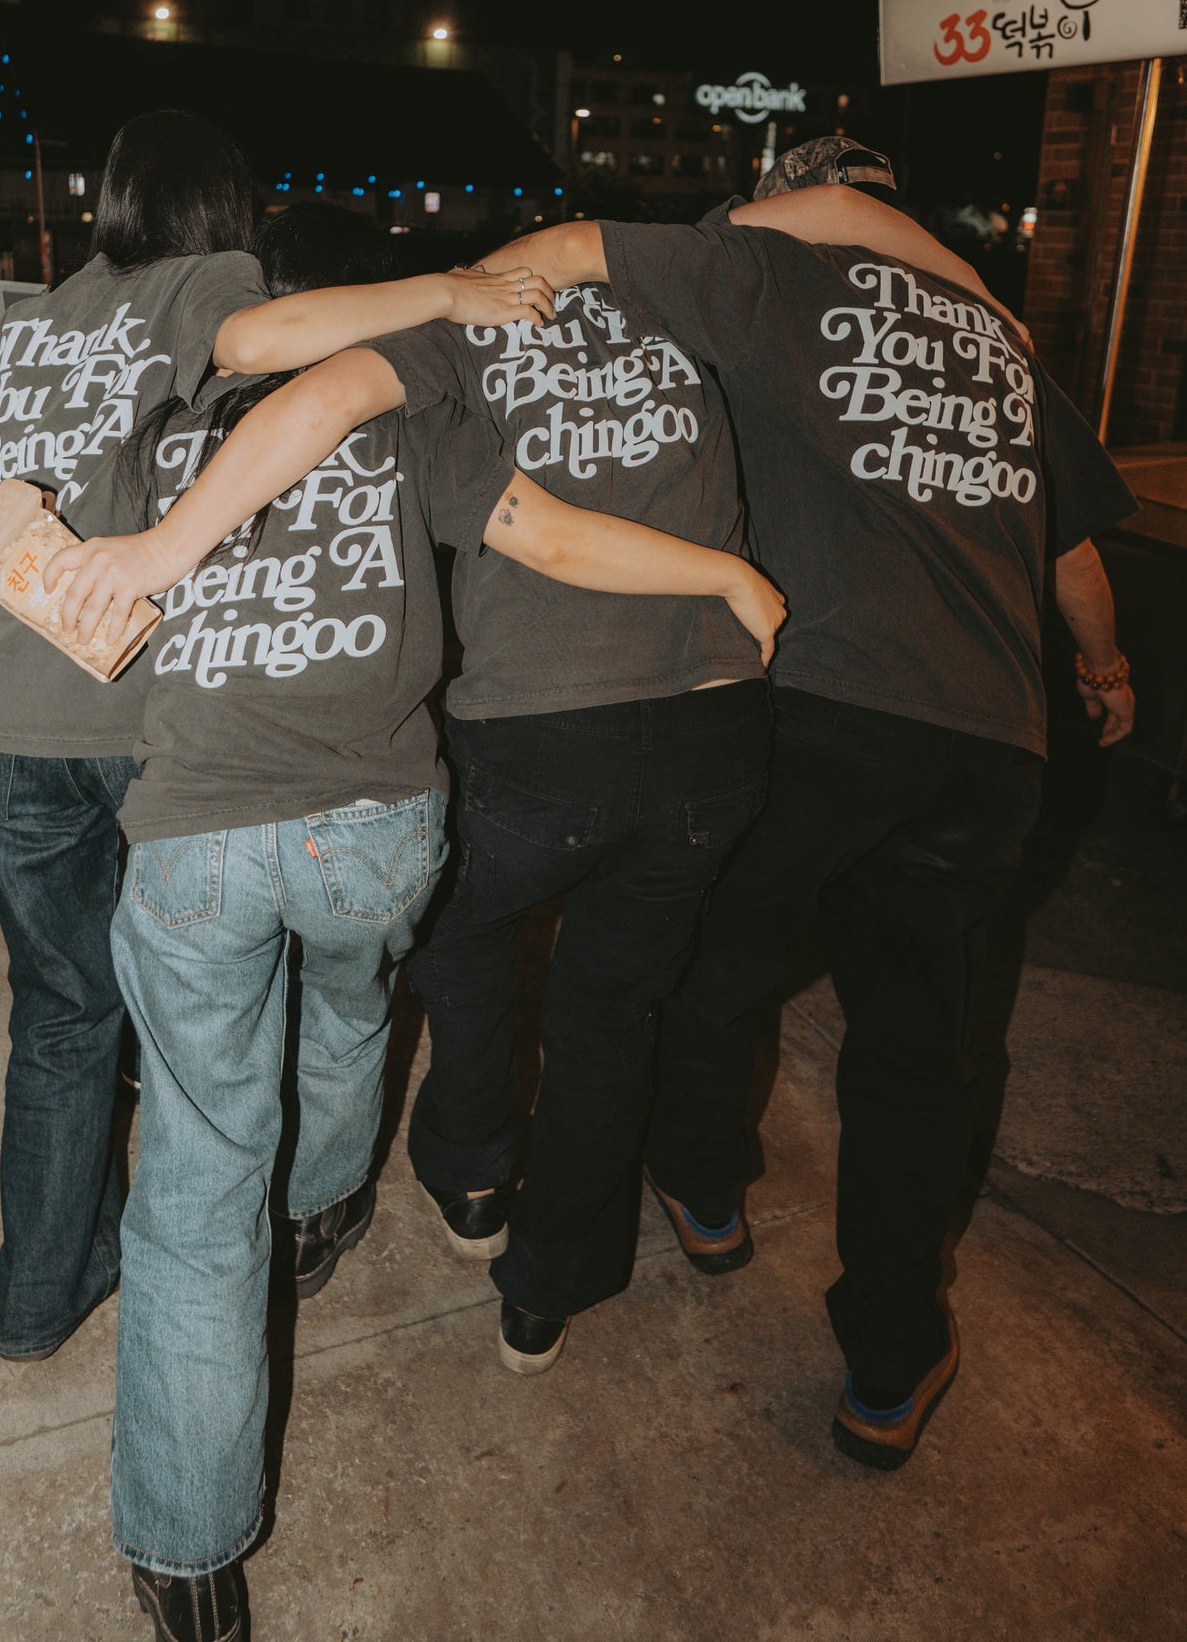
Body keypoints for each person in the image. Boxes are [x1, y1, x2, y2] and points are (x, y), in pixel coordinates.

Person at [39, 177, 943, 1379]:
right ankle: (545, 1294)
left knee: (452, 932)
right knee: (611, 1010)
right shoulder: (688, 299)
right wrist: (974, 289)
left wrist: (162, 546)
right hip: (713, 737)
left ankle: (469, 1170)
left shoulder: (462, 321)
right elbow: (831, 205)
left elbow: (318, 396)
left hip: (536, 733)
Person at [48, 201, 786, 1642]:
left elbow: (65, 604)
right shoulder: (416, 418)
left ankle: (190, 1558)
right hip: (377, 828)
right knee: (351, 1001)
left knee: (200, 1190)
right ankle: (327, 1203)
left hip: (198, 833)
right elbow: (546, 533)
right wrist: (724, 572)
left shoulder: (157, 428)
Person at [0, 116, 556, 1365]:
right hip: (146, 730)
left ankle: (37, 1288)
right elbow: (278, 337)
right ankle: (239, 1242)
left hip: (2, 735)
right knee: (206, 1011)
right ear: (225, 212)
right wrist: (453, 288)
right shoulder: (206, 286)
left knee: (61, 1012)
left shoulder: (27, 328)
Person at [486, 135, 1138, 1469]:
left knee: (714, 962)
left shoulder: (761, 278)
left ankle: (708, 1193)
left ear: (788, 200)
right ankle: (890, 1360)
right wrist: (1106, 669)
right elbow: (1071, 555)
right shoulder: (997, 335)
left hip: (813, 710)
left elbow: (563, 255)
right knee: (921, 1050)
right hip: (986, 746)